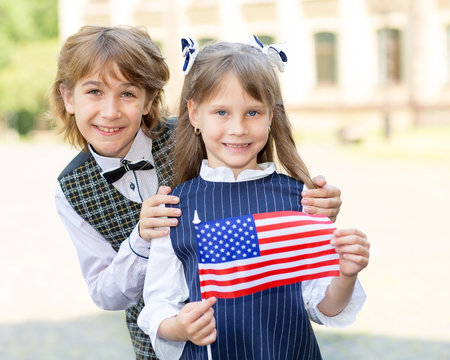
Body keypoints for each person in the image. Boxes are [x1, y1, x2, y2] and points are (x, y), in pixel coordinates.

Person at [51, 25, 343, 359]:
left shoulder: (201, 133)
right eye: (94, 92)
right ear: (68, 97)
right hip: (161, 344)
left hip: (255, 332)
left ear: (148, 100)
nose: (110, 111)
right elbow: (106, 294)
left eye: (128, 94)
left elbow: (261, 191)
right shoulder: (70, 189)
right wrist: (141, 240)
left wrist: (316, 208)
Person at [137, 38, 370, 360]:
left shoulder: (300, 201)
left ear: (271, 115)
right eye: (221, 112)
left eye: (252, 112)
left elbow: (324, 306)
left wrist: (346, 273)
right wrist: (179, 327)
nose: (238, 128)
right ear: (193, 113)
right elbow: (158, 305)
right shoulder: (174, 208)